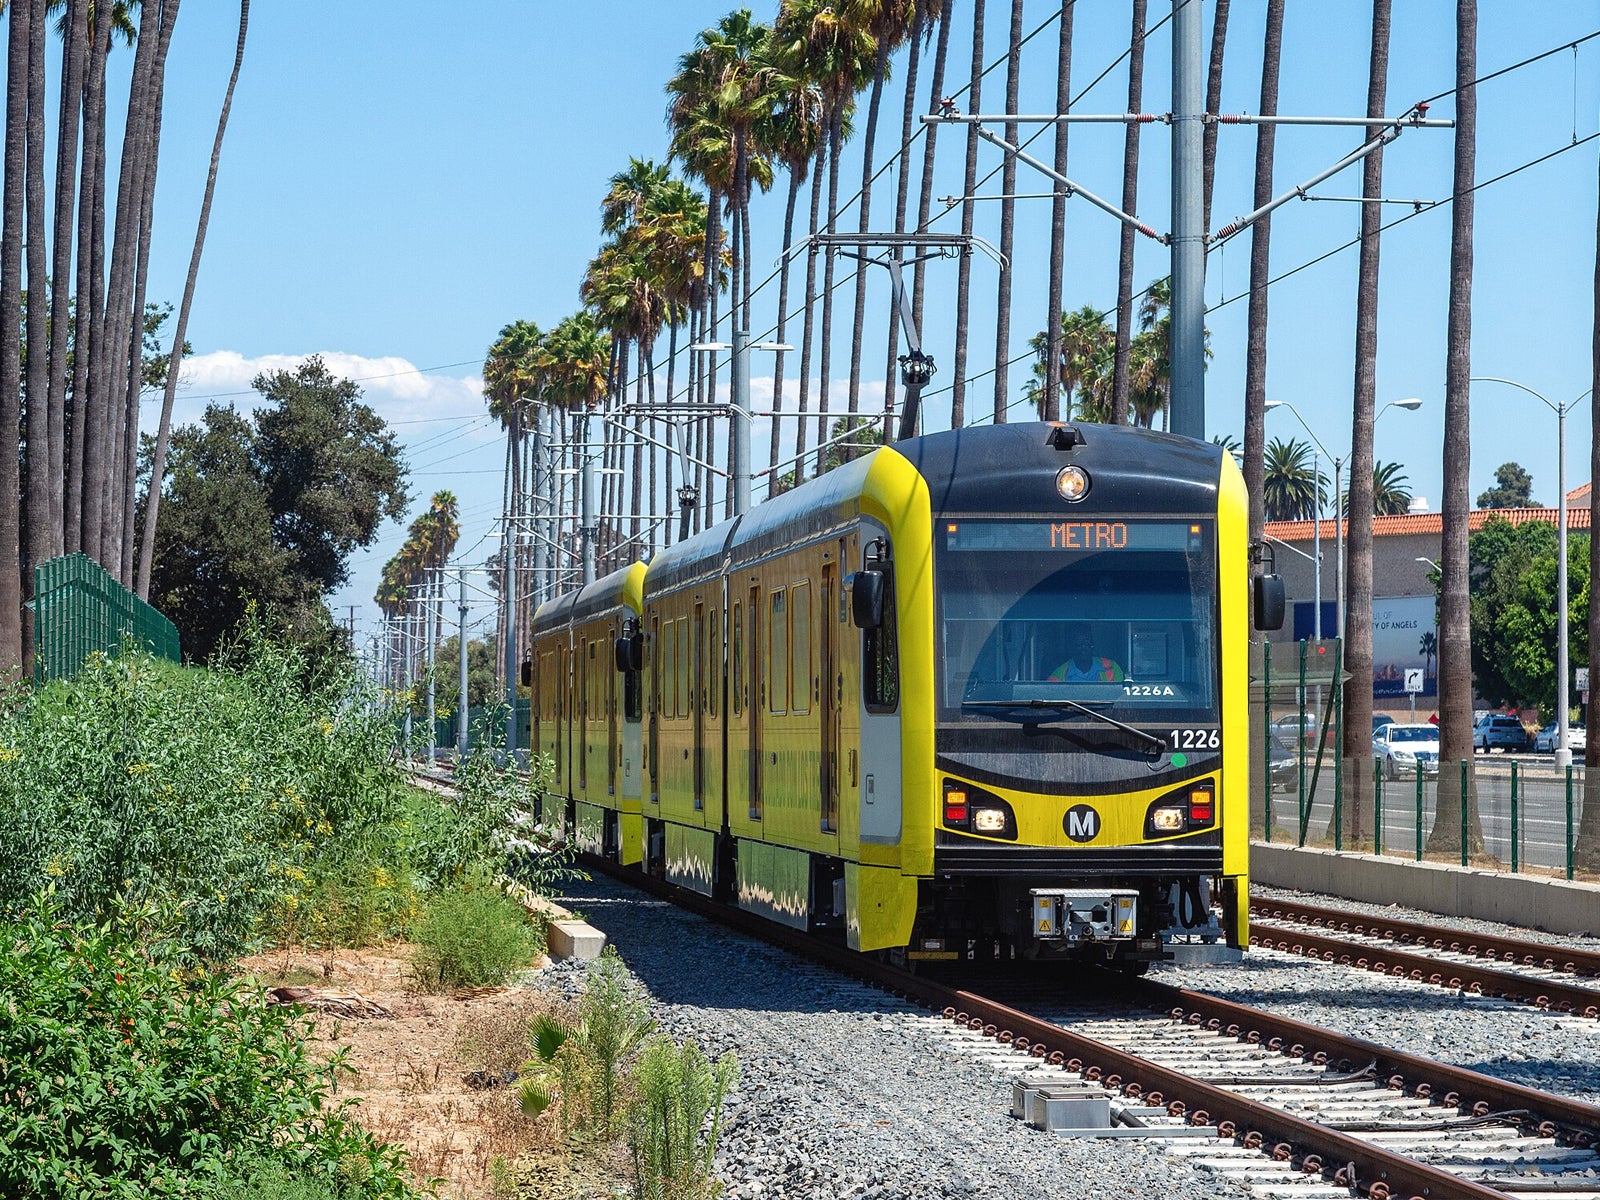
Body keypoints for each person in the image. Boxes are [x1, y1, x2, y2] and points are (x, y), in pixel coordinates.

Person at [1048, 626, 1124, 682]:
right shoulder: (1058, 674)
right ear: (1071, 647)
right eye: (1079, 644)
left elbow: (1120, 697)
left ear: (1092, 645)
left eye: (1087, 643)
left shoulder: (1112, 667)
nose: (1083, 648)